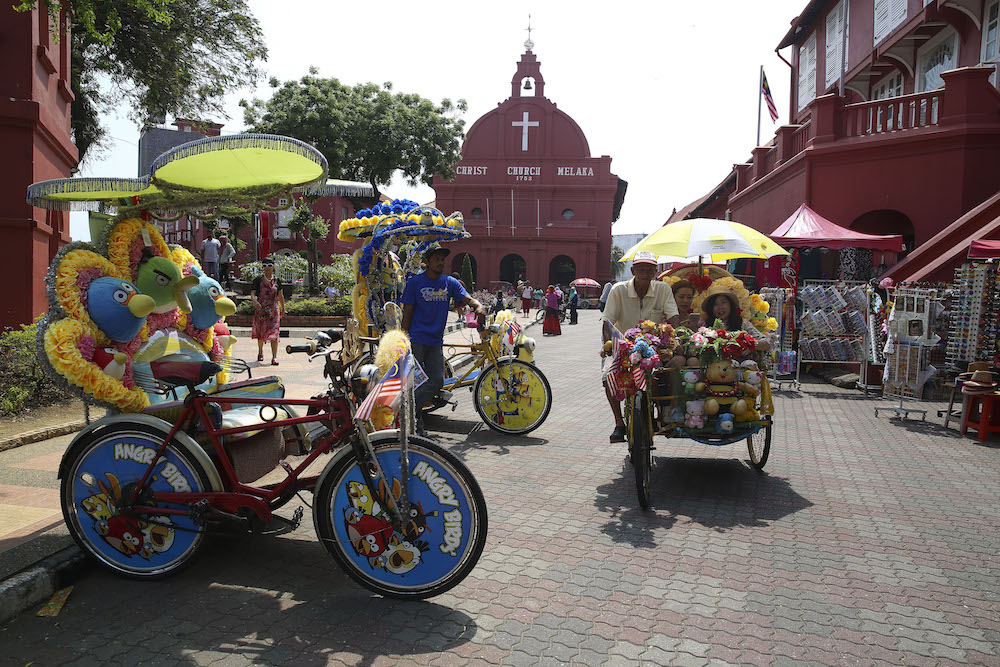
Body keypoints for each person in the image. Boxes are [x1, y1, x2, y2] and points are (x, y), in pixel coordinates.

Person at [403, 246, 484, 436]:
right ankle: (415, 423)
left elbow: (468, 299)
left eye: (442, 259)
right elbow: (407, 312)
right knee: (413, 383)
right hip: (416, 340)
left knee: (437, 381)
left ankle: (409, 412)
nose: (441, 262)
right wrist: (403, 339)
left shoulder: (450, 283)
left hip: (435, 342)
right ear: (428, 262)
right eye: (437, 259)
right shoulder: (415, 283)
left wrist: (478, 306)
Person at [601, 251, 679, 442]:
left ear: (655, 271)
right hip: (623, 347)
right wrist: (610, 346)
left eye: (650, 269)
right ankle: (619, 423)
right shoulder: (618, 290)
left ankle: (660, 414)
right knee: (607, 377)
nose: (645, 272)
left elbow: (673, 316)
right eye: (641, 268)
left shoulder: (662, 289)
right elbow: (607, 323)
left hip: (654, 348)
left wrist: (675, 339)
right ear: (633, 270)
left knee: (664, 376)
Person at [700, 289, 771, 351]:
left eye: (723, 302)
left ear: (730, 304)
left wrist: (749, 346)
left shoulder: (742, 323)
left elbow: (766, 342)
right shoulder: (705, 326)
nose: (720, 307)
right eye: (715, 304)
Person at [251, 257, 285, 365]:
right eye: (265, 265)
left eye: (269, 265)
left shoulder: (277, 281)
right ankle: (260, 352)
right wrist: (255, 302)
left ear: (273, 267)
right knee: (261, 332)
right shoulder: (258, 280)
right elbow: (252, 293)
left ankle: (274, 357)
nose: (267, 267)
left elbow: (280, 295)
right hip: (261, 309)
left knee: (275, 333)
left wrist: (283, 307)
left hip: (274, 310)